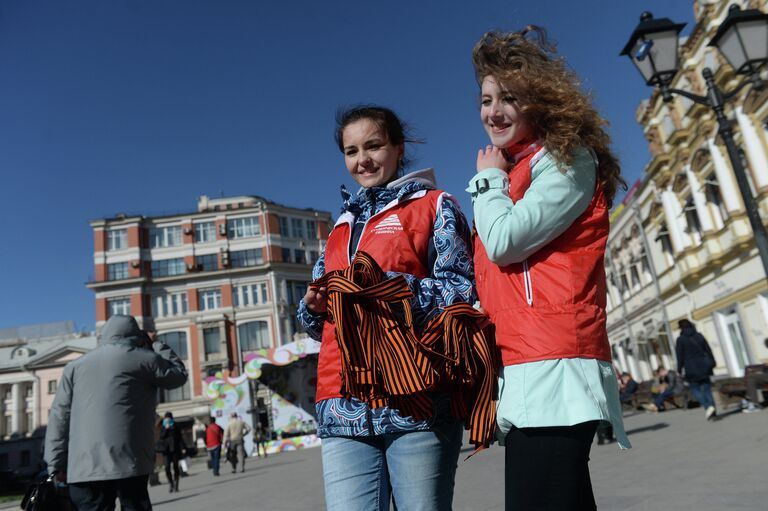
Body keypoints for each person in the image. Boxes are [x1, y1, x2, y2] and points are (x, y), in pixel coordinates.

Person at [469, 27, 630, 510]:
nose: (492, 112)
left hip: (558, 366)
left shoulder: (566, 160)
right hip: (526, 363)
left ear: (539, 102)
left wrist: (487, 181)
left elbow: (504, 241)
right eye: (485, 99)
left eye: (509, 98)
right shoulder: (519, 169)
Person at [297, 105, 475, 510]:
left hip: (417, 397)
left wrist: (393, 289)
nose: (363, 160)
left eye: (374, 145)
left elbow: (463, 291)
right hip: (341, 402)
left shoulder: (435, 205)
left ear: (398, 147)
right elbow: (314, 325)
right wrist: (313, 306)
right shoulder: (341, 226)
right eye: (352, 150)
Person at [45, 315, 187, 511]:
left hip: (84, 465)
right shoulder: (145, 360)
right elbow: (178, 375)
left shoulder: (74, 367)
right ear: (136, 336)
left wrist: (55, 464)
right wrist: (156, 344)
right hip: (130, 461)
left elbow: (59, 416)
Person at [675, 319, 718, 419]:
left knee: (694, 389)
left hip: (691, 368)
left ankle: (708, 407)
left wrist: (679, 370)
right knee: (707, 389)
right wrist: (712, 362)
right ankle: (713, 412)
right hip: (704, 366)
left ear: (681, 328)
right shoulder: (699, 336)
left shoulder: (680, 340)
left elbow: (679, 356)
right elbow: (708, 350)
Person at [158, 412, 186, 492]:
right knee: (167, 467)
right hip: (166, 450)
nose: (167, 419)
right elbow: (161, 437)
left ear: (171, 418)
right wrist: (166, 429)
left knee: (175, 467)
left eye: (168, 418)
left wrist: (183, 447)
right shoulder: (163, 426)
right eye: (166, 418)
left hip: (175, 449)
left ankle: (176, 484)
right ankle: (171, 483)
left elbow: (180, 437)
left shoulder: (175, 425)